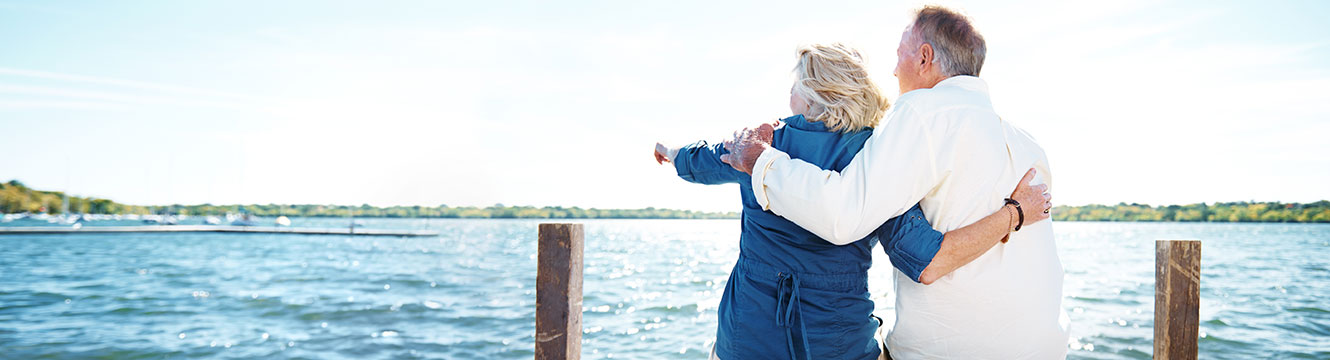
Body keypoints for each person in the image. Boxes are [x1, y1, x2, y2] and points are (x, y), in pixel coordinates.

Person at [654, 43, 1050, 360]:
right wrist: (1013, 213)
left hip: (748, 337)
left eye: (795, 84)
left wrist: (670, 152)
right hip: (839, 342)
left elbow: (700, 162)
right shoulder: (875, 154)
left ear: (810, 91)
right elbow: (920, 255)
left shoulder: (760, 143)